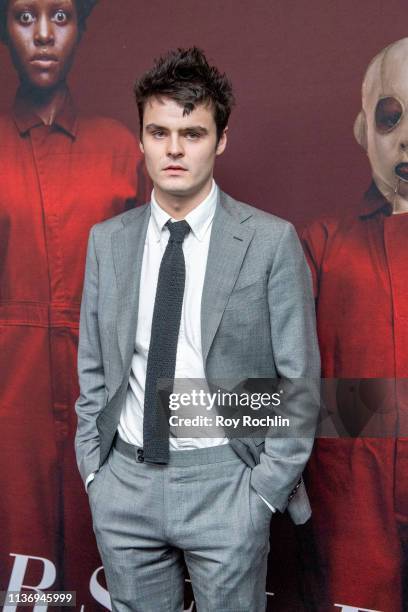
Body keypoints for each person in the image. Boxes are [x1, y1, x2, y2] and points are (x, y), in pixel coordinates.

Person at [75, 46, 320, 612]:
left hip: (227, 485)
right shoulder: (107, 242)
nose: (175, 149)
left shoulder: (269, 241)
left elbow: (299, 381)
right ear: (140, 140)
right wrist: (96, 474)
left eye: (193, 132)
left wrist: (262, 494)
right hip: (125, 485)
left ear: (221, 139)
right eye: (159, 133)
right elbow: (93, 366)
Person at [0, 0, 144, 605]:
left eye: (60, 16)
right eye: (23, 16)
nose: (41, 35)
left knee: (102, 561)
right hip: (11, 392)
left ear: (83, 27)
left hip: (107, 386)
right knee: (19, 570)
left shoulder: (122, 150)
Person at [302, 37, 408, 612]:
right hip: (351, 494)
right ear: (363, 128)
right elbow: (278, 379)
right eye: (391, 117)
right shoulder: (321, 243)